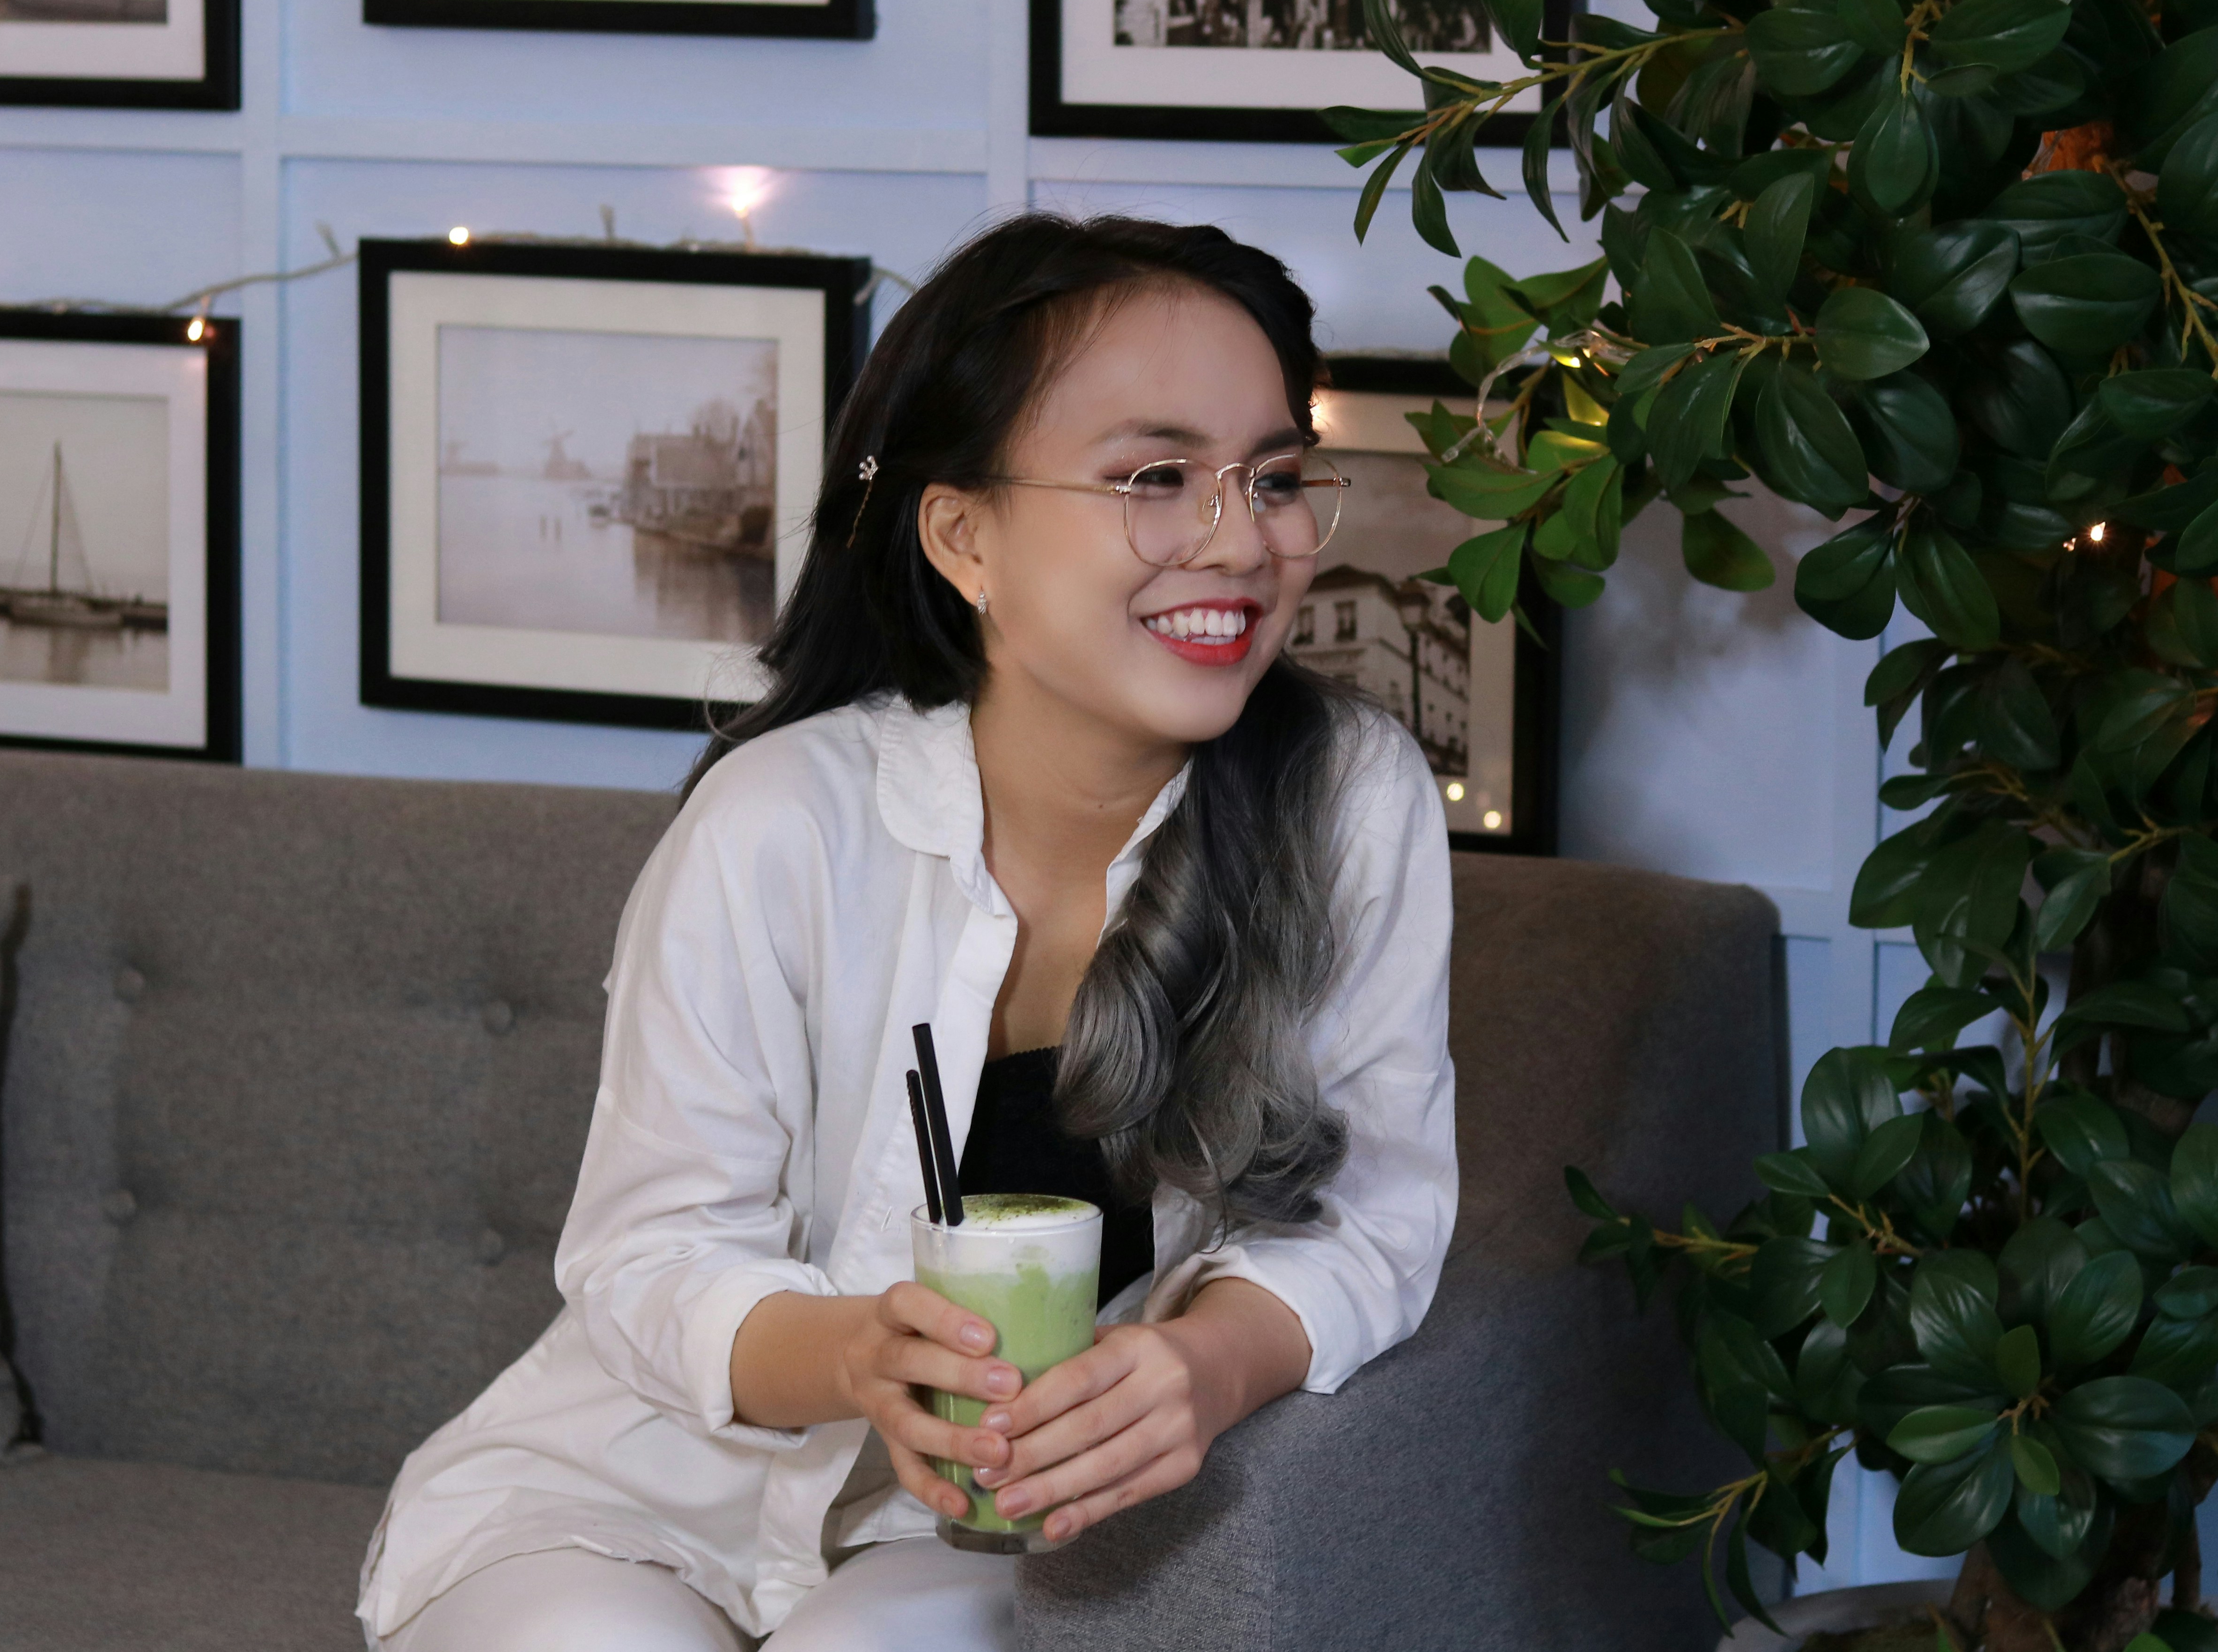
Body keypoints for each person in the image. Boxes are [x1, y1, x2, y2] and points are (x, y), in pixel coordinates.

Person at [354, 214, 1459, 1650]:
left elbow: (1372, 1214)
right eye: (1156, 477)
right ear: (964, 535)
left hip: (1006, 1520)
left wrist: (1206, 1364)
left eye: (1275, 477)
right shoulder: (780, 823)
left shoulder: (1349, 804)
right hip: (638, 1491)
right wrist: (857, 1355)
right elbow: (649, 1258)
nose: (1241, 540)